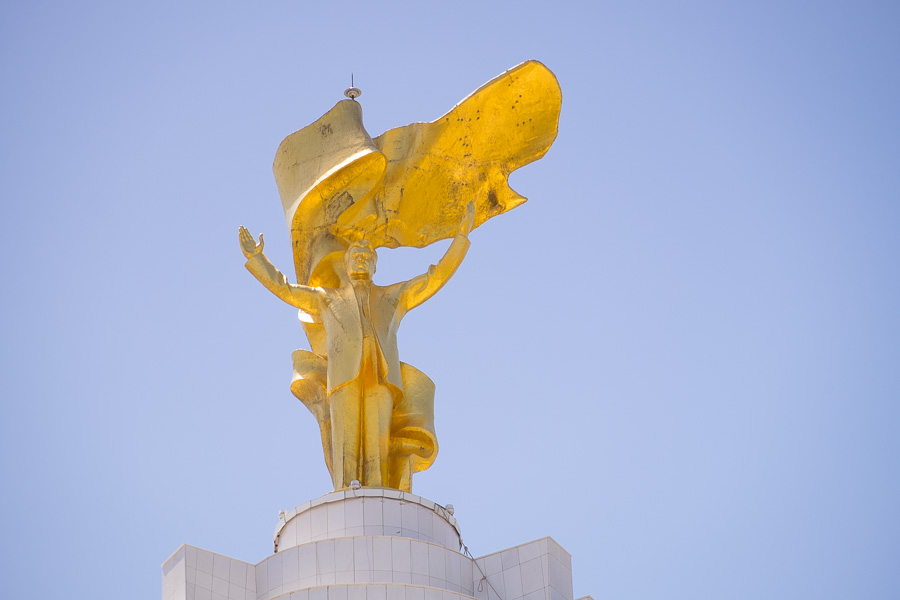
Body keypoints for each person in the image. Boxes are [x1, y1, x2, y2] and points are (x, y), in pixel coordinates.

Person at [239, 202, 475, 489]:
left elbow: (434, 277)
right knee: (345, 443)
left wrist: (461, 238)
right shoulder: (326, 297)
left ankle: (378, 496)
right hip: (344, 378)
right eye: (355, 256)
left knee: (378, 444)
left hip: (381, 376)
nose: (360, 260)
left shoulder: (393, 296)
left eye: (366, 256)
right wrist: (257, 258)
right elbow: (285, 288)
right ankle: (344, 494)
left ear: (375, 265)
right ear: (346, 264)